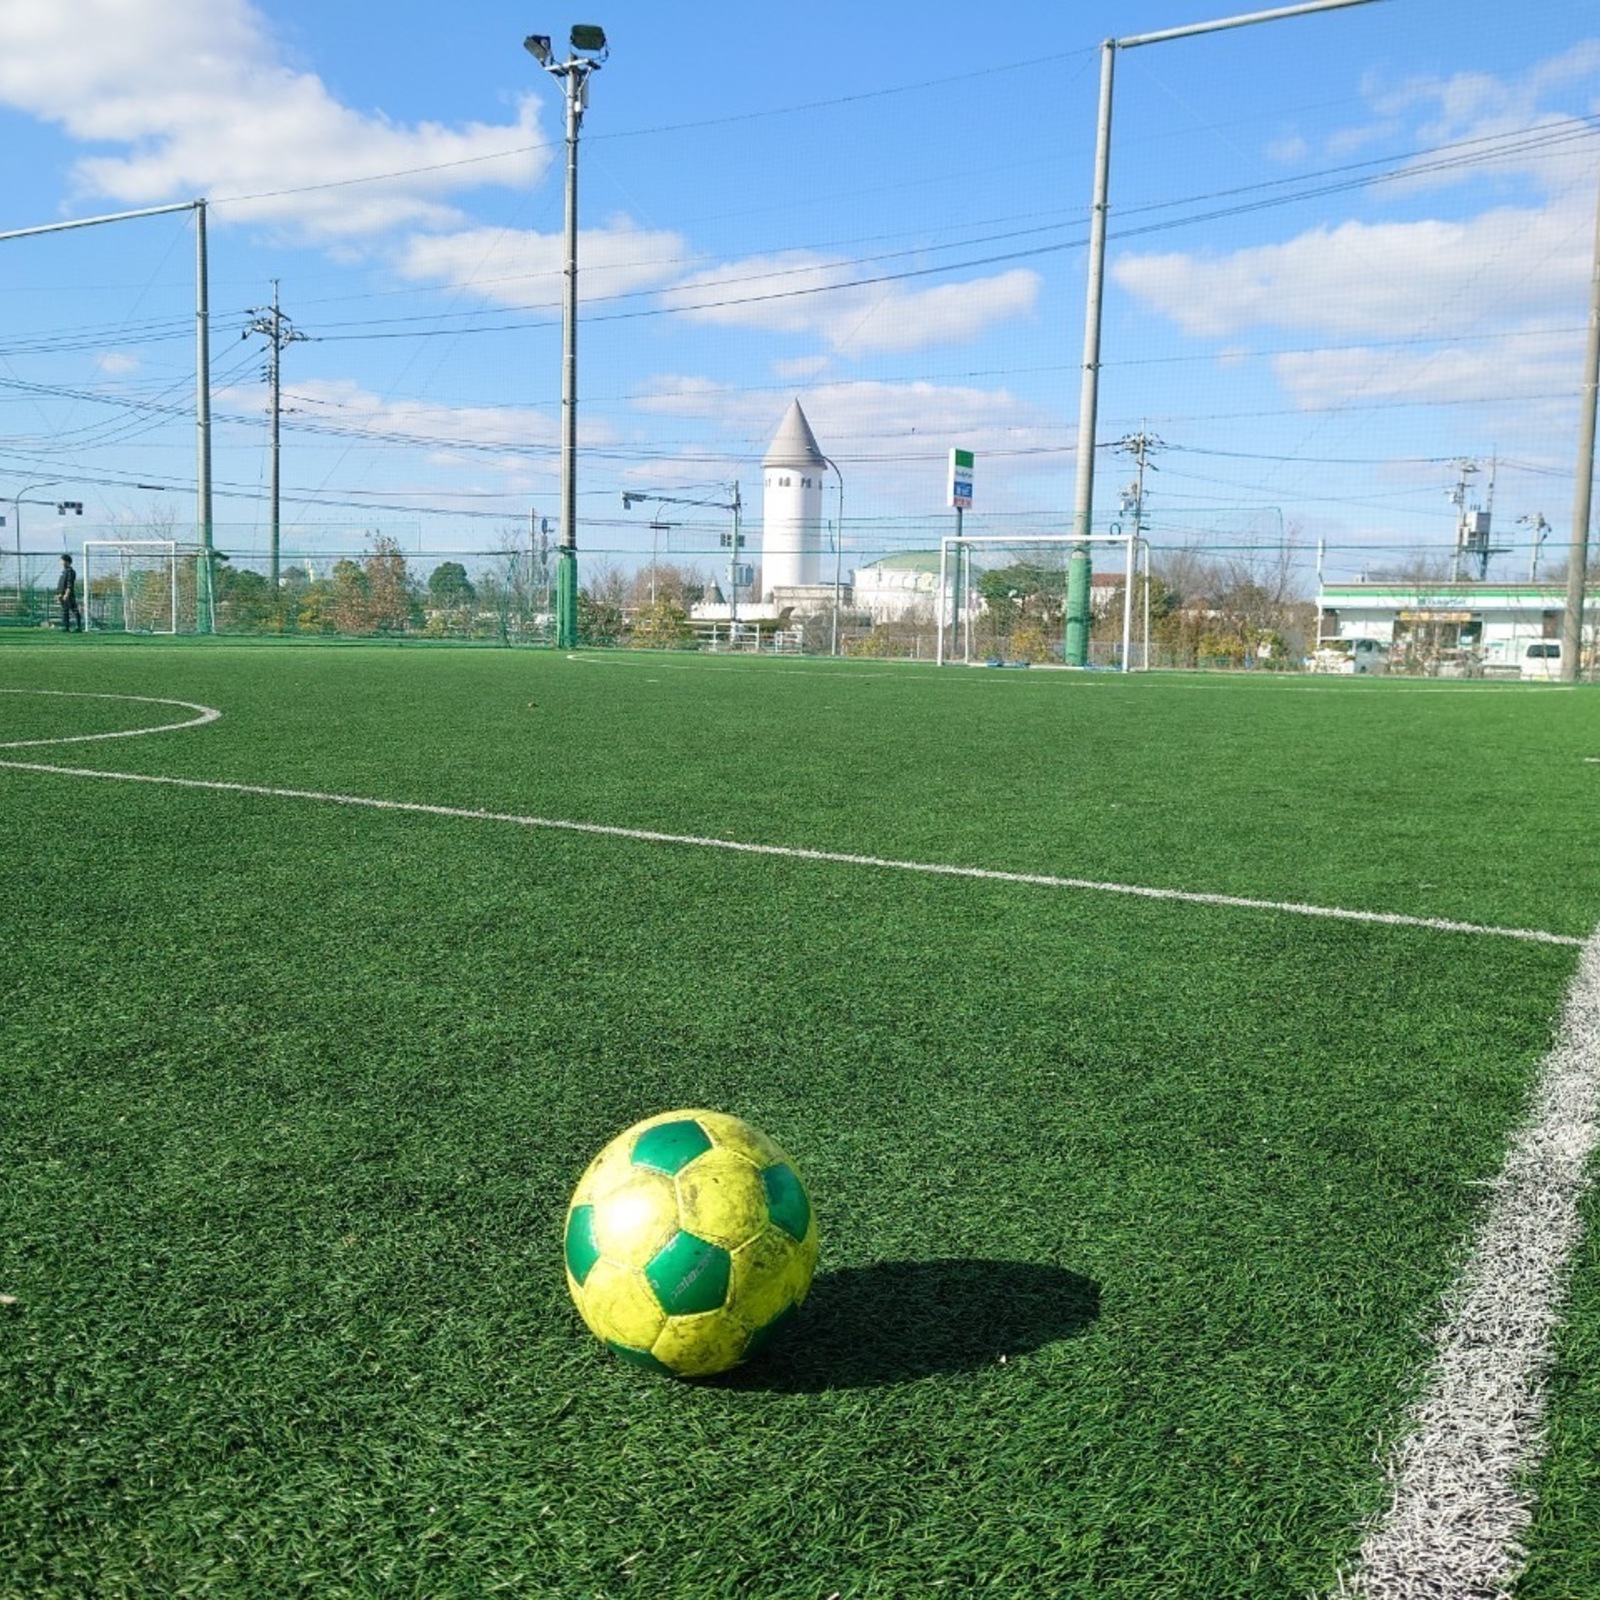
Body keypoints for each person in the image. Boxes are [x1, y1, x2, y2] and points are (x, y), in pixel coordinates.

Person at [56, 553, 83, 632]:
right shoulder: (64, 572)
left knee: (74, 610)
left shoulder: (70, 572)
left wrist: (67, 594)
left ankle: (78, 627)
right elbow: (62, 584)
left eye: (62, 560)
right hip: (62, 594)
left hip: (68, 594)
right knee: (65, 610)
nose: (60, 562)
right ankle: (66, 627)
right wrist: (59, 593)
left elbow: (69, 584)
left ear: (67, 561)